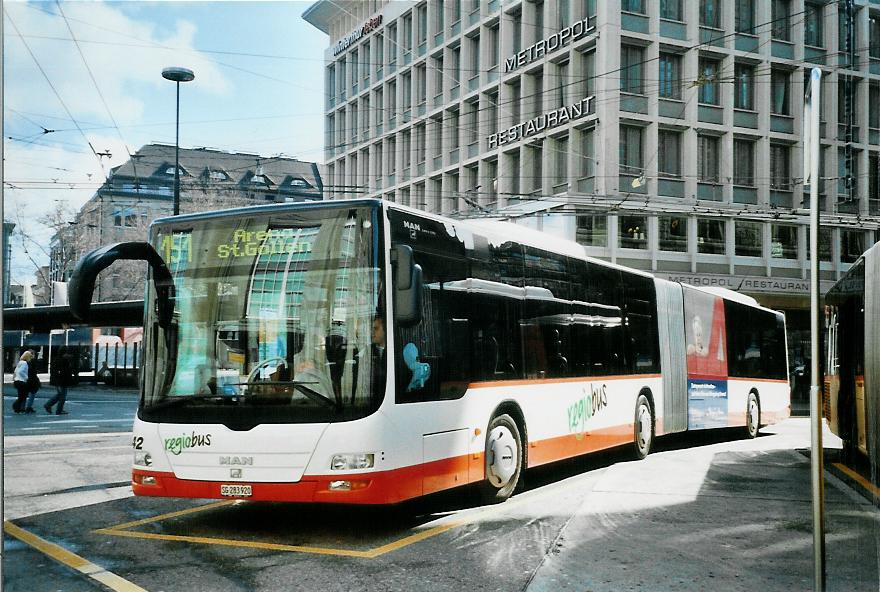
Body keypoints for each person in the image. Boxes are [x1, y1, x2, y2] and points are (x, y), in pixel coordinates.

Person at [45, 346, 74, 415]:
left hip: (60, 380)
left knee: (60, 395)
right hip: (60, 381)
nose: (68, 355)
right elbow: (64, 372)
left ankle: (49, 405)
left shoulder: (60, 360)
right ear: (64, 353)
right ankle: (58, 409)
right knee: (62, 396)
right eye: (67, 353)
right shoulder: (62, 361)